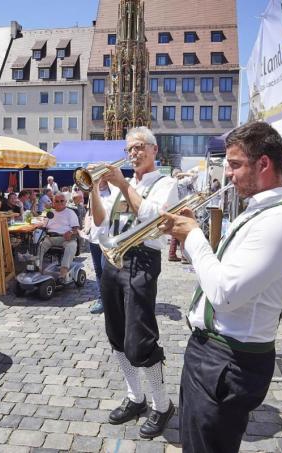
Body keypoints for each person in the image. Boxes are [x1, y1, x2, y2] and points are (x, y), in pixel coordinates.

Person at [159, 121, 282, 453]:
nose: (229, 173)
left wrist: (193, 235)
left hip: (228, 359)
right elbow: (221, 274)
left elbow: (225, 294)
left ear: (265, 164)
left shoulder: (280, 220)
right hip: (214, 353)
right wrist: (188, 240)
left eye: (236, 164)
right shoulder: (260, 211)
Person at [90, 126, 178, 439]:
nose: (133, 153)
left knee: (140, 338)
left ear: (155, 150)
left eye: (140, 147)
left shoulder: (166, 183)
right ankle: (135, 397)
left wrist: (123, 184)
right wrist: (92, 191)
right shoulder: (120, 186)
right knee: (116, 334)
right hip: (113, 260)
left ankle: (162, 404)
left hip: (142, 262)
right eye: (130, 148)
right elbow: (101, 224)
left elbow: (155, 220)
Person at [36, 192, 80, 283]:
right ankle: (37, 269)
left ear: (65, 202)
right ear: (53, 201)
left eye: (61, 201)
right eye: (57, 201)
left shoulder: (70, 213)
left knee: (71, 246)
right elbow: (44, 226)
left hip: (65, 238)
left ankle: (63, 273)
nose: (59, 203)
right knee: (39, 245)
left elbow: (77, 229)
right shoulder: (50, 213)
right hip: (50, 238)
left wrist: (71, 232)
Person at [86, 180, 112, 314]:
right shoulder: (92, 192)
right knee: (98, 271)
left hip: (108, 238)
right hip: (94, 237)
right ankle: (102, 299)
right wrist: (86, 227)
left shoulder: (114, 191)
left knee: (107, 271)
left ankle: (111, 300)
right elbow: (89, 213)